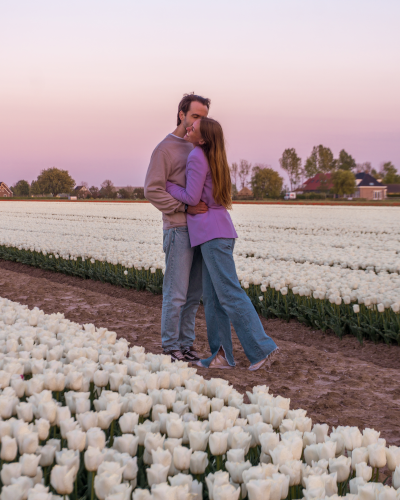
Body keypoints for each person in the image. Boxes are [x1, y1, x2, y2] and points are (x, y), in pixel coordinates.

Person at [166, 117, 278, 371]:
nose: (190, 127)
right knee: (214, 298)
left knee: (229, 294)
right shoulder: (213, 156)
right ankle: (222, 355)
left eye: (195, 127)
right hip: (217, 232)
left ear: (203, 139)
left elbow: (191, 198)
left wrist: (170, 186)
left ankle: (262, 348)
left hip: (212, 235)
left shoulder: (196, 155)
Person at [144, 93, 210, 362]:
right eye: (195, 116)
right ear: (182, 115)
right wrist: (183, 208)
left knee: (194, 294)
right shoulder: (165, 149)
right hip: (178, 228)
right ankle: (170, 346)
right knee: (176, 292)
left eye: (203, 118)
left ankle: (186, 344)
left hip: (201, 230)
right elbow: (152, 190)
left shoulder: (201, 148)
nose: (198, 122)